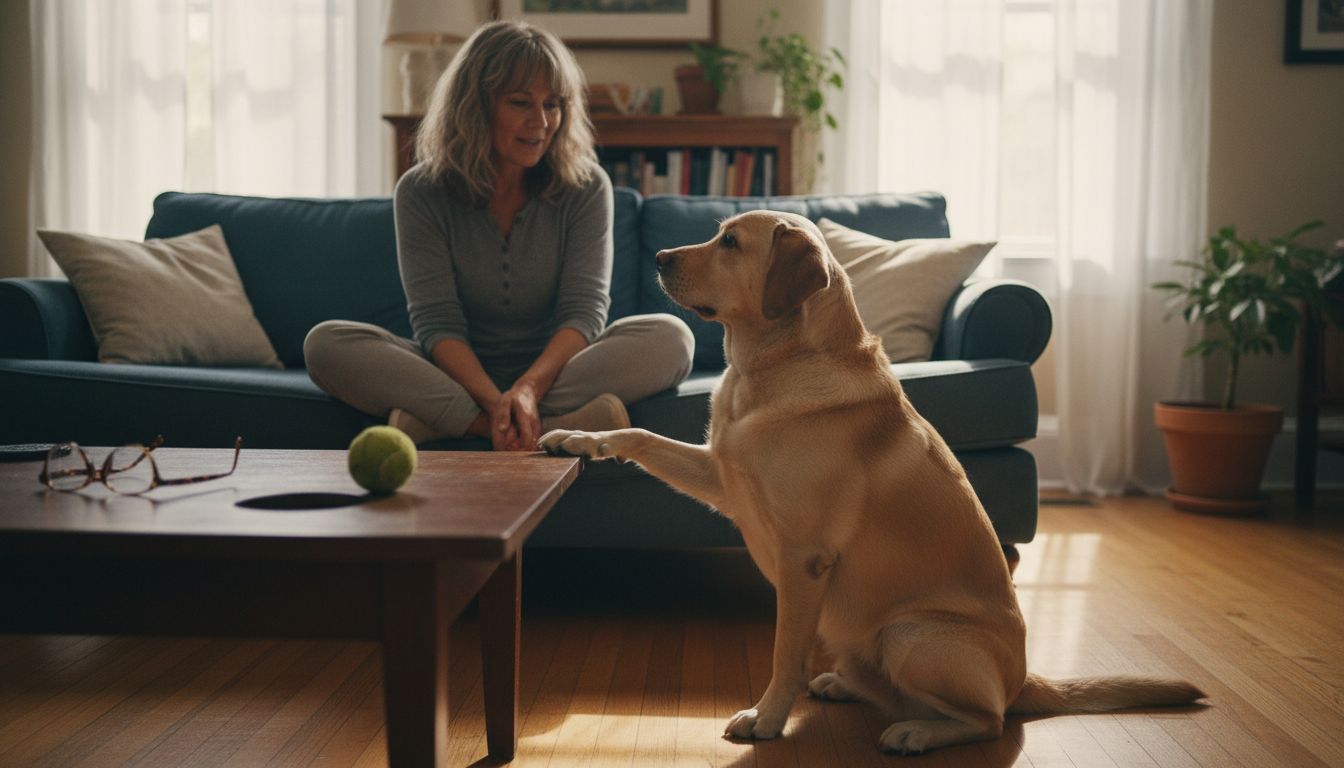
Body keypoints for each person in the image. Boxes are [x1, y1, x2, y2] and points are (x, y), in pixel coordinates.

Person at [304, 20, 693, 451]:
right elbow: (437, 323)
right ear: (475, 106)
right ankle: (546, 426)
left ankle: (440, 423)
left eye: (553, 104)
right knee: (325, 344)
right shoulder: (421, 191)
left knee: (672, 337)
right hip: (455, 376)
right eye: (520, 102)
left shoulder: (586, 187)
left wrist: (528, 389)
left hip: (561, 370)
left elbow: (583, 313)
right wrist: (493, 403)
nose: (541, 122)